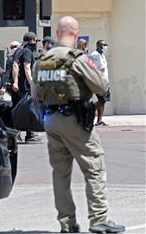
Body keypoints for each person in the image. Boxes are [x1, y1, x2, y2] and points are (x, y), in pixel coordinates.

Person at [33, 16, 125, 233]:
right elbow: (102, 87)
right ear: (75, 34)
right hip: (74, 120)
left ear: (57, 34)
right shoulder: (78, 58)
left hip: (51, 120)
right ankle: (99, 219)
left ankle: (67, 223)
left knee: (60, 173)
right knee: (94, 166)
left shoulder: (43, 60)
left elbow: (36, 94)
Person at [13, 31, 41, 142]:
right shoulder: (28, 52)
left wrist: (15, 82)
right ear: (31, 41)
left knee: (19, 109)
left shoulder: (18, 51)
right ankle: (29, 135)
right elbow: (27, 67)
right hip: (25, 85)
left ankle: (17, 134)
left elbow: (15, 66)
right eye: (35, 40)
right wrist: (32, 83)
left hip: (18, 85)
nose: (35, 43)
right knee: (29, 109)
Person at [90, 40, 110, 126]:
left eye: (105, 44)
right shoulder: (95, 55)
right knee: (102, 99)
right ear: (98, 45)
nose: (105, 46)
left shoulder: (102, 55)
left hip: (104, 81)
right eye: (103, 45)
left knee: (103, 101)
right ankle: (88, 110)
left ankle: (99, 120)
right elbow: (98, 68)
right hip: (98, 81)